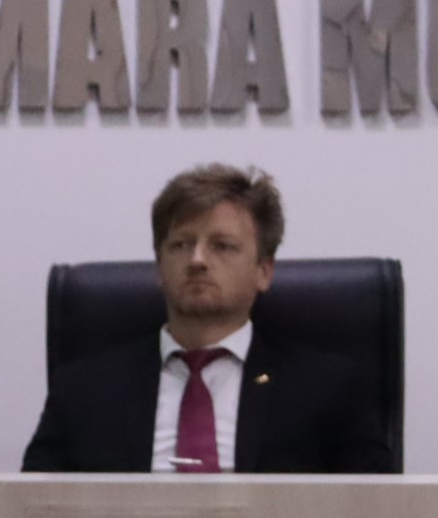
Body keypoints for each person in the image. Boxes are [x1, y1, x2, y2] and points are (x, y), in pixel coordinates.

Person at [21, 164, 396, 474]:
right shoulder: (85, 390)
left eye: (222, 245)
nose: (197, 260)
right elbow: (29, 517)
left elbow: (375, 517)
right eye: (180, 244)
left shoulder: (330, 389)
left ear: (264, 270)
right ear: (159, 268)